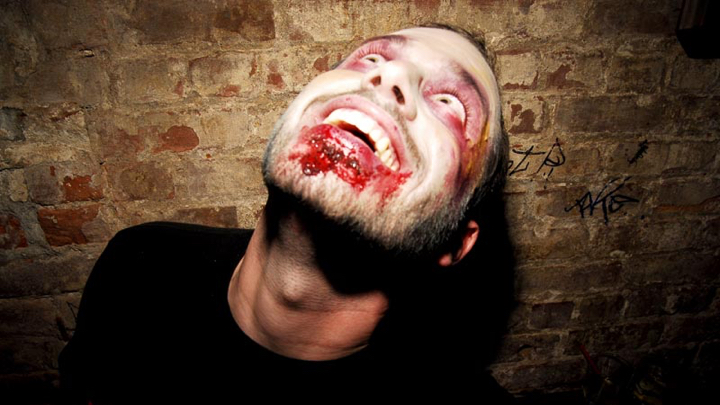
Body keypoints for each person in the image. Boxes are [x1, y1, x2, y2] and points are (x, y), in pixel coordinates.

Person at [59, 25, 514, 403]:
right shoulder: (139, 265)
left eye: (450, 104)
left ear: (456, 241)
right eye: (371, 59)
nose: (390, 74)